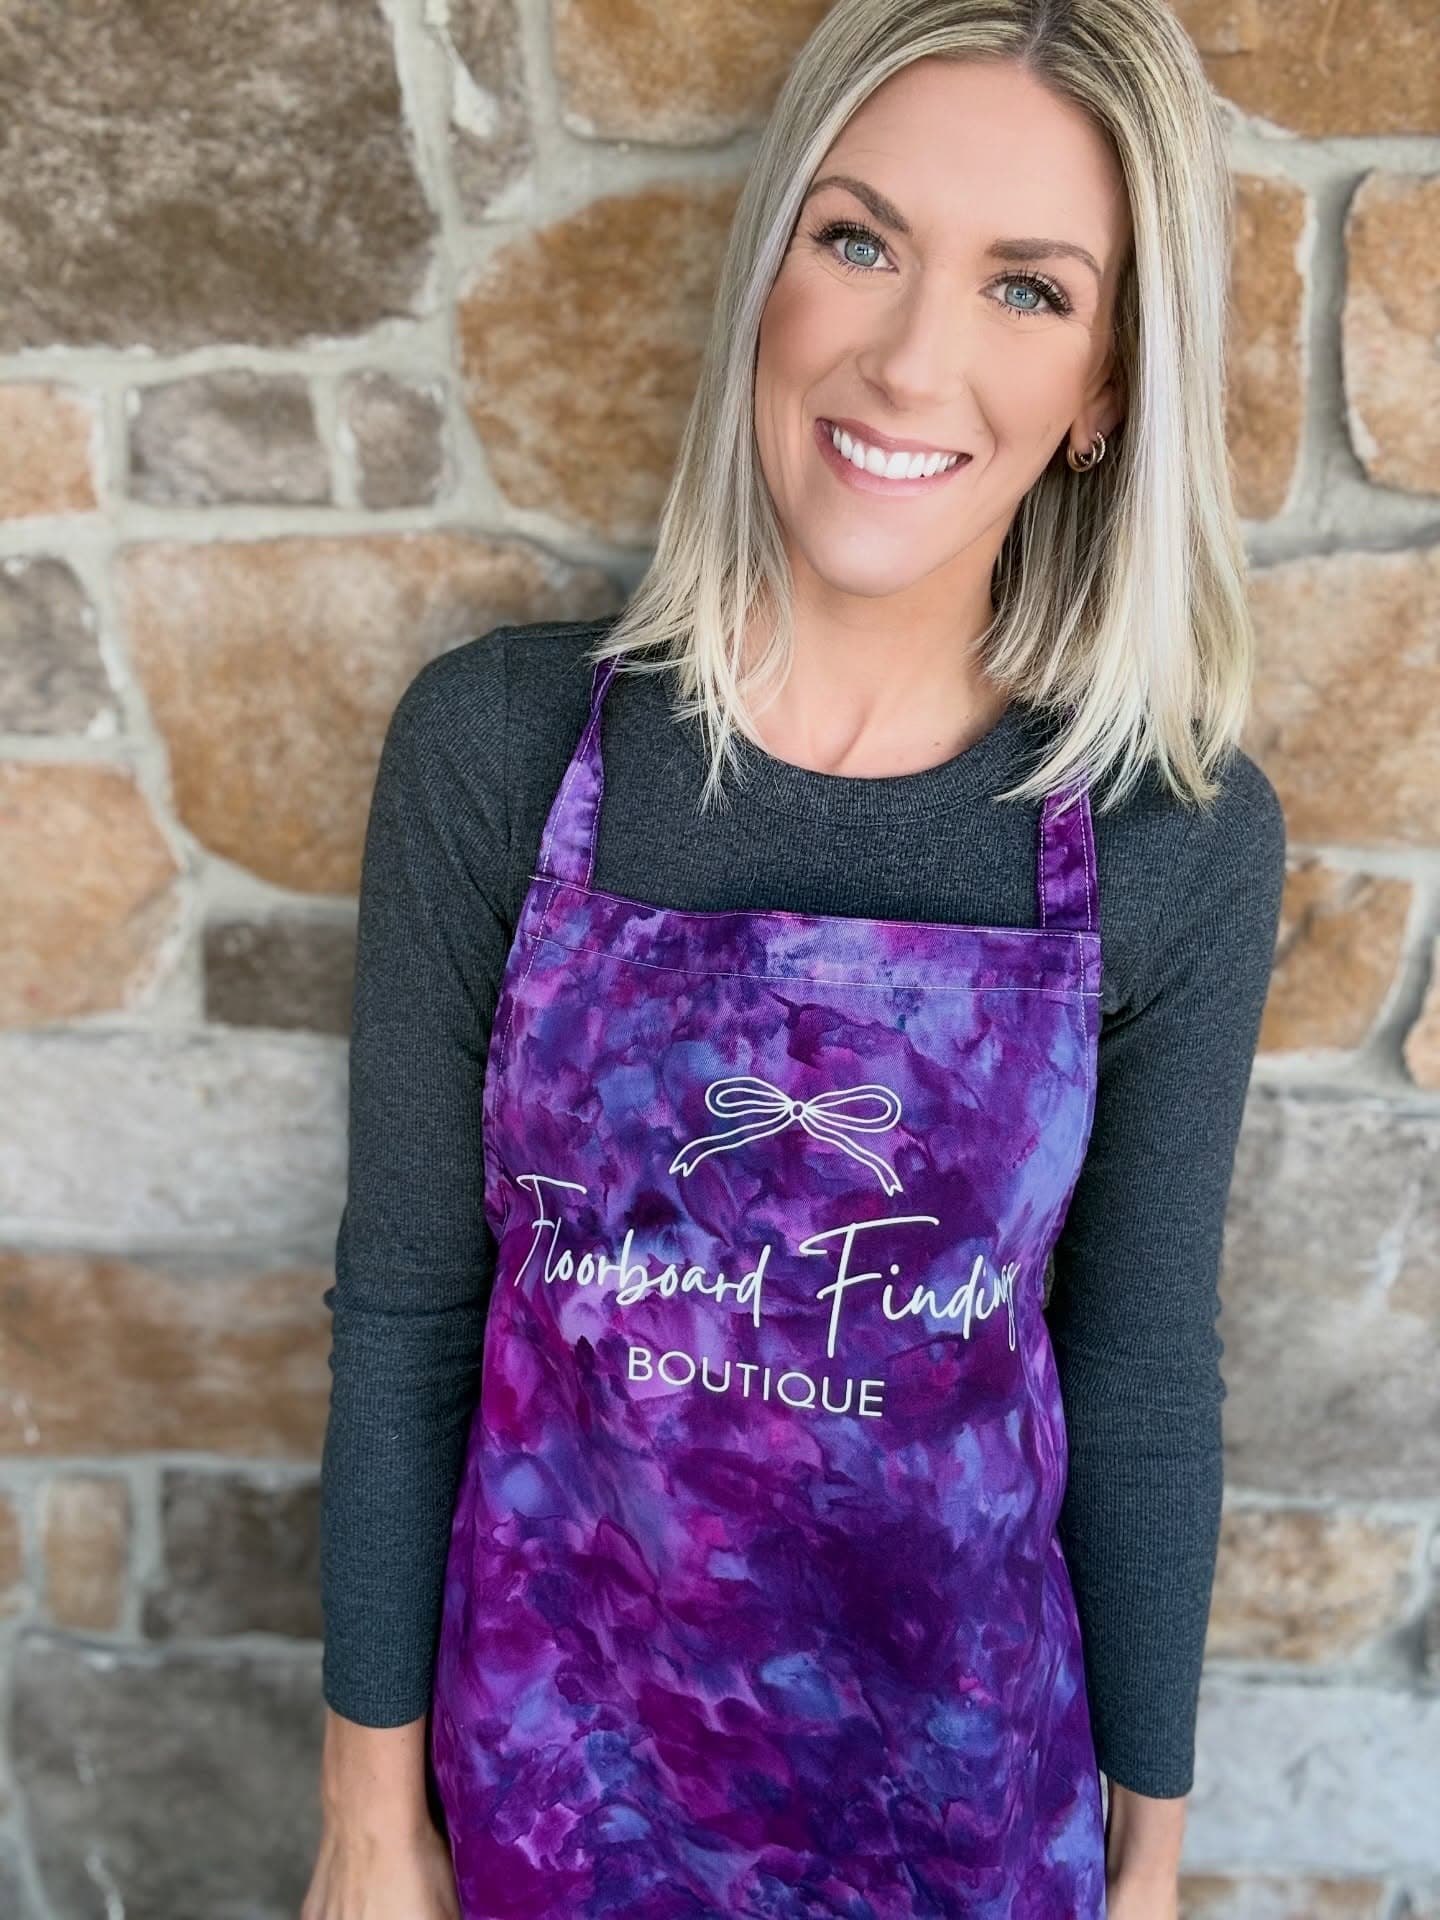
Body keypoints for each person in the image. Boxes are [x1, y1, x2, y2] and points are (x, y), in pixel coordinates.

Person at [303, 2, 1286, 1916]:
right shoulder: (498, 754)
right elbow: (409, 1306)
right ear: (767, 276)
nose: (914, 360)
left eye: (1028, 289)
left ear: (1105, 389)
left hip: (964, 1821)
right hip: (545, 1796)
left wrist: (1149, 1871)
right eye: (859, 241)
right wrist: (367, 1820)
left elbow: (1144, 1370)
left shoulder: (1175, 838)